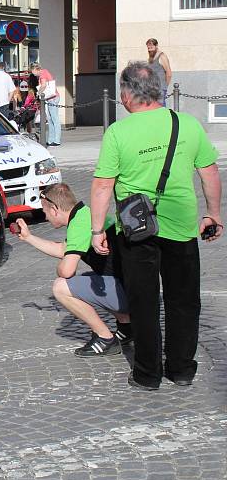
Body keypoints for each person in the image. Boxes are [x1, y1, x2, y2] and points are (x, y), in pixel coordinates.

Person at [90, 61, 222, 390]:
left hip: (136, 230)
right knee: (183, 299)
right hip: (180, 226)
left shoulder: (118, 132)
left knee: (144, 302)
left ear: (130, 93)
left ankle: (147, 374)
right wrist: (214, 213)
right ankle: (181, 369)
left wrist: (96, 231)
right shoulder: (187, 124)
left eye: (122, 89)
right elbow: (209, 172)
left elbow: (103, 185)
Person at [14, 183, 132, 357]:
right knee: (91, 279)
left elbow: (67, 271)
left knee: (60, 287)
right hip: (131, 285)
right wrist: (29, 237)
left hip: (129, 292)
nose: (45, 217)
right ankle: (127, 326)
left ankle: (105, 338)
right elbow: (63, 249)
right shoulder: (84, 214)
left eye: (45, 212)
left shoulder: (79, 223)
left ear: (54, 209)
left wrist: (61, 267)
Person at [31, 62, 60, 146]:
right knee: (51, 120)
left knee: (54, 119)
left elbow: (43, 85)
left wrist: (38, 93)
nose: (33, 73)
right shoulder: (44, 72)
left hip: (52, 98)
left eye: (32, 71)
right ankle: (51, 140)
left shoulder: (42, 74)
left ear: (36, 69)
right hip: (50, 98)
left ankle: (56, 140)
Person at [146, 38, 172, 105]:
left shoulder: (162, 56)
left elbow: (169, 73)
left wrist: (164, 87)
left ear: (156, 46)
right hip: (151, 90)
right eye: (148, 48)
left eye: (151, 47)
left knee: (160, 109)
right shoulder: (151, 58)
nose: (149, 49)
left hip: (160, 89)